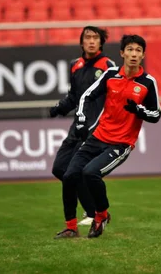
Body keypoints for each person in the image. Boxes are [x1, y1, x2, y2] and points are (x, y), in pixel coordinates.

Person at [55, 35, 161, 239]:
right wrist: (81, 118)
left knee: (90, 173)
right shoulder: (111, 74)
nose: (134, 54)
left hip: (121, 143)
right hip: (98, 137)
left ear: (143, 55)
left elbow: (155, 114)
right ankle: (71, 227)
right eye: (130, 49)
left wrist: (139, 110)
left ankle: (100, 216)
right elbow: (87, 95)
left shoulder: (148, 82)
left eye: (138, 51)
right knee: (69, 176)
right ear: (122, 53)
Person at [50, 26, 115, 227]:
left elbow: (113, 97)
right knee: (60, 168)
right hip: (76, 126)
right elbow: (74, 97)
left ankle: (95, 212)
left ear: (101, 43)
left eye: (95, 38)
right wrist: (60, 107)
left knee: (75, 171)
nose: (92, 41)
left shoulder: (108, 66)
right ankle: (94, 210)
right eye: (88, 37)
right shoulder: (75, 65)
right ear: (81, 43)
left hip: (95, 128)